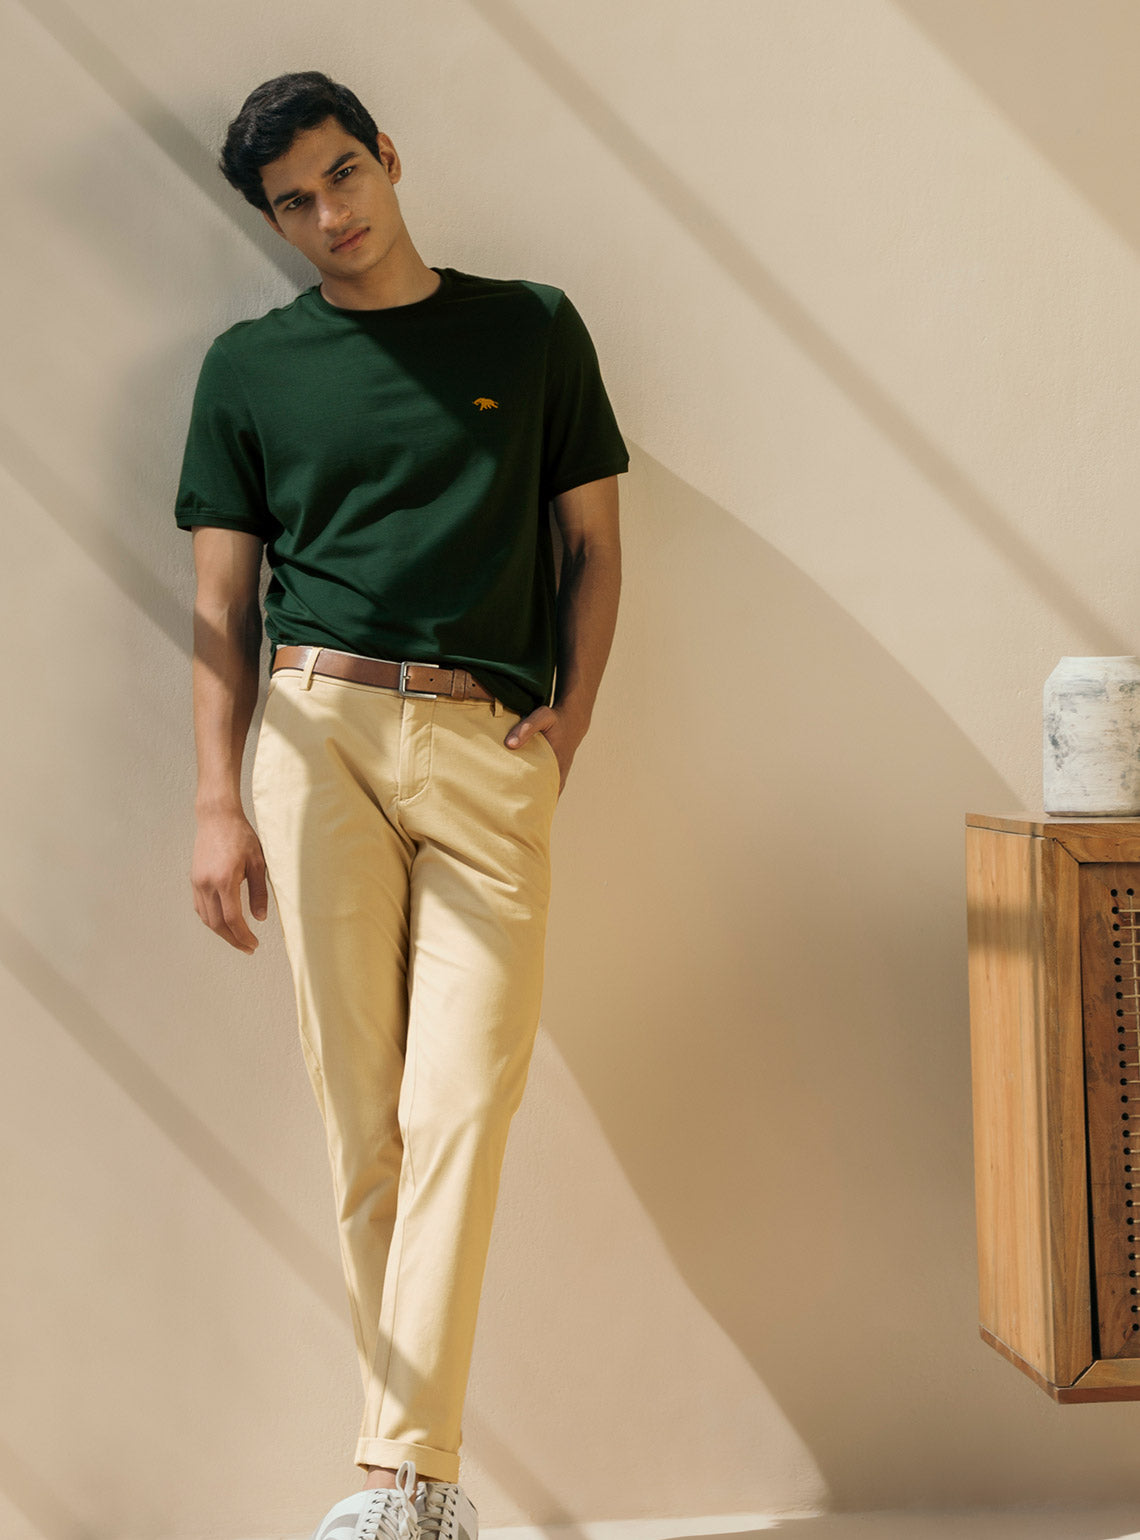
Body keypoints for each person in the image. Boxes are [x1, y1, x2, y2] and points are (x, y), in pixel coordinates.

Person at [173, 70, 629, 1540]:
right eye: (293, 204)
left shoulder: (532, 330)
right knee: (361, 1115)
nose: (329, 217)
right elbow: (221, 607)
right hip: (317, 736)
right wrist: (217, 801)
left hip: (491, 744)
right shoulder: (250, 369)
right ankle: (409, 1486)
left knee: (461, 1103)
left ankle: (394, 1475)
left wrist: (568, 725)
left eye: (342, 177)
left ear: (386, 154)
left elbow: (594, 549)